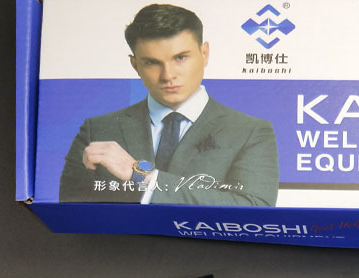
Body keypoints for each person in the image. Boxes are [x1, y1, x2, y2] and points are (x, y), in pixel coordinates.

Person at [59, 4, 278, 206]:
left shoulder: (250, 131)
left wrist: (141, 176)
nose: (168, 75)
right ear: (135, 65)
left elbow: (255, 209)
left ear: (204, 54)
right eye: (151, 62)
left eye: (180, 58)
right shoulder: (97, 130)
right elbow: (71, 215)